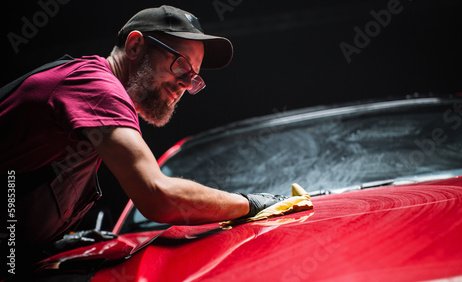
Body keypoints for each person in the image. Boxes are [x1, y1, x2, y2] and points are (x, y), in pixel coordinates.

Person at [0, 5, 287, 273]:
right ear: (135, 46)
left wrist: (45, 243)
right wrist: (250, 204)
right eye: (180, 64)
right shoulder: (94, 85)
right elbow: (157, 195)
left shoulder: (96, 100)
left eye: (194, 77)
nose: (186, 85)